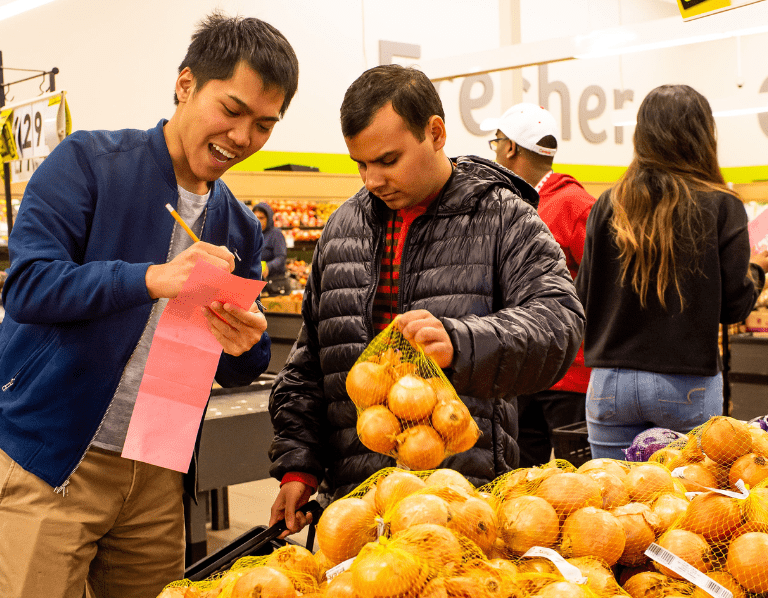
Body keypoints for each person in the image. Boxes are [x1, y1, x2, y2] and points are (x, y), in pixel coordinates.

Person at [0, 13, 299, 598]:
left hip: (158, 465)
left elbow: (232, 364)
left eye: (263, 124)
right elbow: (29, 285)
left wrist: (246, 342)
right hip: (53, 457)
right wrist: (151, 278)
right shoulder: (89, 165)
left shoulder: (235, 225)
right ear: (185, 85)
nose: (243, 137)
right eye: (231, 110)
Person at [267, 64, 585, 535]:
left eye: (388, 160)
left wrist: (462, 343)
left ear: (435, 133)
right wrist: (298, 465)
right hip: (355, 510)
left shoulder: (503, 218)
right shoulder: (342, 229)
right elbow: (311, 363)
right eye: (361, 164)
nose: (372, 179)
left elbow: (559, 323)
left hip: (463, 504)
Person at [576, 84, 768, 460]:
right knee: (689, 506)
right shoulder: (722, 204)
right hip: (686, 382)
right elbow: (733, 307)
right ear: (704, 136)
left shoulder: (608, 203)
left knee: (613, 502)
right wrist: (757, 271)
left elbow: (582, 295)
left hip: (610, 381)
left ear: (641, 135)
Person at [482, 103, 594, 467]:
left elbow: (602, 283)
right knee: (522, 481)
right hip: (524, 371)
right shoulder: (509, 204)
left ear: (511, 147)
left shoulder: (574, 204)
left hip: (570, 373)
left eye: (496, 142)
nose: (495, 150)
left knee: (579, 485)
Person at [252, 202, 291, 295]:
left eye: (261, 218)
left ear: (268, 218)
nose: (258, 220)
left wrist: (268, 267)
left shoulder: (276, 234)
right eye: (255, 217)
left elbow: (281, 257)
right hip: (256, 284)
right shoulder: (252, 235)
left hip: (274, 285)